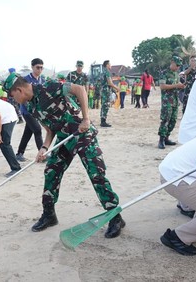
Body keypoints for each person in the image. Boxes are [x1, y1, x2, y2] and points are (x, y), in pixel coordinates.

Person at [8, 76, 124, 238]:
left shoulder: (49, 87)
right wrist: (44, 148)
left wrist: (85, 119)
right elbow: (50, 130)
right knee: (51, 171)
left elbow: (80, 89)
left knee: (96, 174)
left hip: (82, 133)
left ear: (19, 90)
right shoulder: (32, 106)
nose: (15, 100)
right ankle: (49, 215)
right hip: (64, 138)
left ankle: (115, 216)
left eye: (14, 96)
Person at [15, 58, 45, 162]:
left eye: (41, 67)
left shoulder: (42, 80)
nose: (40, 69)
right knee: (37, 130)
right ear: (32, 67)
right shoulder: (25, 80)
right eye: (38, 67)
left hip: (36, 111)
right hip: (27, 111)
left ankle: (19, 153)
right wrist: (28, 107)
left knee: (28, 132)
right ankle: (43, 155)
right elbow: (21, 96)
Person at [158, 56, 185, 149]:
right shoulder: (164, 73)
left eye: (179, 66)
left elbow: (175, 86)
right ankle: (161, 140)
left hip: (175, 100)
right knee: (165, 120)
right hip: (167, 101)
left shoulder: (176, 74)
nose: (178, 67)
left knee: (173, 121)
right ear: (172, 62)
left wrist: (180, 86)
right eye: (177, 65)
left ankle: (166, 137)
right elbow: (162, 86)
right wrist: (176, 85)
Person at [100, 60, 119, 127]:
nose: (110, 65)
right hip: (106, 90)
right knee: (106, 105)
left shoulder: (102, 72)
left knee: (103, 105)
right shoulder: (107, 72)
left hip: (103, 90)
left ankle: (102, 120)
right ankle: (103, 121)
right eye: (110, 64)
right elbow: (110, 83)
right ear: (107, 65)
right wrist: (116, 88)